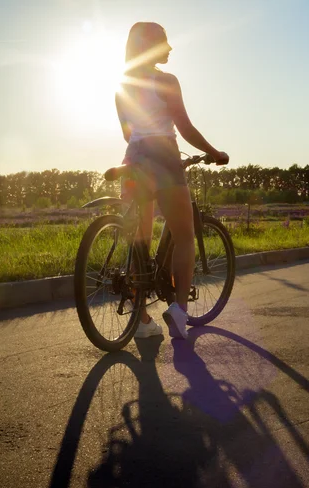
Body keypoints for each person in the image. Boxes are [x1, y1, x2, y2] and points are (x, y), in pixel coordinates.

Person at [115, 22, 228, 340]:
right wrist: (214, 151)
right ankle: (179, 311)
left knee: (139, 242)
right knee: (184, 235)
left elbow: (128, 132)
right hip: (164, 157)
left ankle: (141, 321)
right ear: (151, 46)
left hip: (134, 159)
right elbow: (185, 127)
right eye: (164, 41)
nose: (170, 47)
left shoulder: (121, 85)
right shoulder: (166, 80)